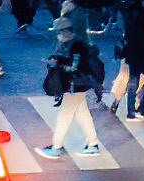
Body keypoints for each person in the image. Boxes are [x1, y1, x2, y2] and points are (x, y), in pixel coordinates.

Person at [37, 25, 103, 158]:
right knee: (82, 116)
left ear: (68, 32)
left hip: (75, 87)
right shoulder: (76, 44)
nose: (59, 35)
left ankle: (56, 147)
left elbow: (74, 67)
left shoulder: (76, 46)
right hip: (77, 86)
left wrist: (58, 65)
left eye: (61, 32)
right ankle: (93, 144)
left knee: (63, 117)